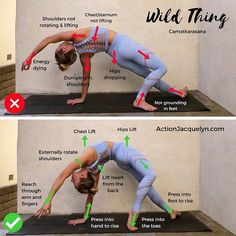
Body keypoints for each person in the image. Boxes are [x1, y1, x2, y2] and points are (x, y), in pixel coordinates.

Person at [22, 27, 188, 112]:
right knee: (161, 67)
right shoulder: (76, 35)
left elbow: (86, 78)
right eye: (59, 48)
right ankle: (139, 100)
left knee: (150, 76)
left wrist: (82, 98)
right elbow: (48, 39)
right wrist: (29, 58)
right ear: (64, 50)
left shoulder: (84, 56)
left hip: (119, 58)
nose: (58, 45)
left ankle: (178, 93)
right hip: (124, 46)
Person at [35, 141, 181, 231]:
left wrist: (48, 201)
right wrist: (85, 217)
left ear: (82, 175)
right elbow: (92, 194)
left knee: (149, 181)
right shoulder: (94, 171)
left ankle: (170, 210)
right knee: (149, 179)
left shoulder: (85, 159)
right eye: (74, 183)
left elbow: (61, 176)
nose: (71, 180)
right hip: (124, 156)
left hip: (123, 156)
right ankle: (135, 211)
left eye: (74, 182)